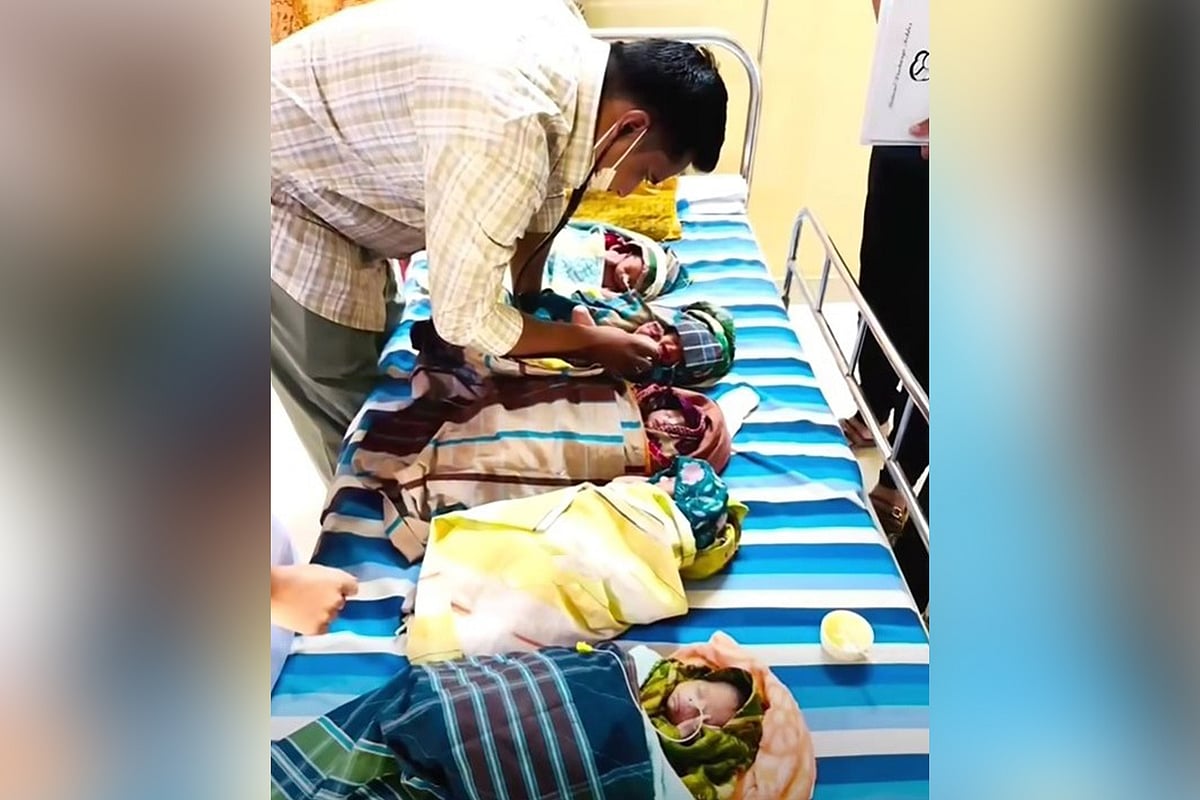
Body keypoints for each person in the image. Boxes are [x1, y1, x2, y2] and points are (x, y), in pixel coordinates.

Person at [270, 0, 729, 481]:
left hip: (334, 173)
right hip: (282, 188)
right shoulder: (506, 125)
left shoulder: (566, 52)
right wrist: (591, 342)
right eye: (646, 173)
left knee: (379, 355)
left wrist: (532, 299)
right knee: (356, 415)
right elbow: (464, 320)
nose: (626, 190)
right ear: (632, 125)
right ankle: (361, 502)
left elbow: (549, 184)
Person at [840, 1, 930, 540]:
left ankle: (900, 477)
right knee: (879, 277)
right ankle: (870, 406)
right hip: (907, 127)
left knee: (937, 319)